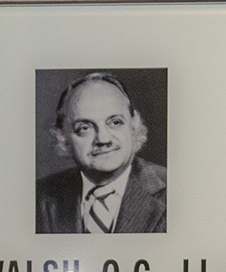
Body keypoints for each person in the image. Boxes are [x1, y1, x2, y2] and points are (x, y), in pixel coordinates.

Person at [36, 71, 167, 233]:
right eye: (84, 128)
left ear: (134, 125)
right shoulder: (39, 197)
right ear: (63, 138)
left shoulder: (175, 190)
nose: (103, 139)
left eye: (115, 122)